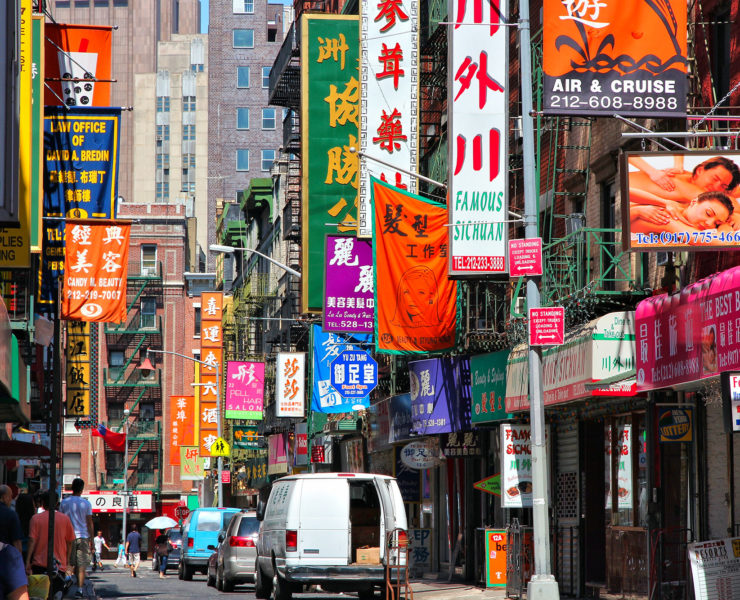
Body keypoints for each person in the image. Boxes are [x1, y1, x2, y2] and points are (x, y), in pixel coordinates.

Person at [630, 190, 734, 243]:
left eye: (716, 224)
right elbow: (725, 241)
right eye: (708, 213)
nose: (709, 223)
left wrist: (724, 225)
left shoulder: (678, 210)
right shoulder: (666, 218)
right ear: (694, 202)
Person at [628, 155, 740, 203]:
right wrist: (652, 172)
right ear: (700, 170)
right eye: (715, 179)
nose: (716, 187)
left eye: (723, 186)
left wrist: (678, 165)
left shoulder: (687, 176)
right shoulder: (691, 190)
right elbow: (732, 205)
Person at [25, 491, 74, 599]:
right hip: (59, 566)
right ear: (57, 503)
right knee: (57, 595)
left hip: (39, 565)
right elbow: (70, 542)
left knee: (39, 596)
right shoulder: (65, 519)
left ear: (42, 503)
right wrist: (68, 561)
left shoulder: (35, 519)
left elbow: (32, 541)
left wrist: (28, 561)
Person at [59, 479, 93, 597]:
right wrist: (92, 540)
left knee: (69, 562)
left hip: (68, 537)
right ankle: (79, 589)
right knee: (81, 564)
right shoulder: (86, 504)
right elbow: (89, 523)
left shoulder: (64, 503)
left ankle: (67, 580)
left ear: (71, 487)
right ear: (82, 489)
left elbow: (61, 520)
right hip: (83, 536)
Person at [0, 485, 23, 554]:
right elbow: (16, 542)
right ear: (4, 497)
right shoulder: (11, 514)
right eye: (10, 496)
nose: (11, 499)